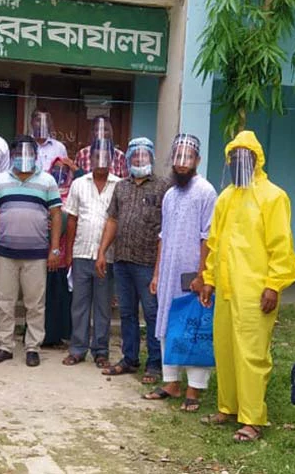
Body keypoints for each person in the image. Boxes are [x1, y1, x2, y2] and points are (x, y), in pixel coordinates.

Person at [199, 130, 295, 443]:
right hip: (227, 289)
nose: (240, 161)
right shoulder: (226, 196)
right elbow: (215, 243)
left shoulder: (273, 196)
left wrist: (273, 285)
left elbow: (281, 245)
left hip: (256, 290)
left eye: (246, 155)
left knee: (252, 353)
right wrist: (209, 280)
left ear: (257, 159)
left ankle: (252, 419)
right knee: (225, 349)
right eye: (235, 156)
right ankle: (227, 408)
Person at [138, 134, 217, 410]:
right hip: (169, 272)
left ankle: (194, 391)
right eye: (178, 157)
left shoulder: (206, 191)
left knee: (194, 326)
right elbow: (163, 235)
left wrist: (202, 274)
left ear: (197, 160)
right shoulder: (170, 194)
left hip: (193, 274)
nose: (182, 164)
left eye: (188, 158)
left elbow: (209, 237)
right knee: (167, 325)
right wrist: (158, 273)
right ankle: (171, 382)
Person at [0, 135, 63, 367]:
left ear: (36, 156)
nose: (23, 158)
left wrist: (54, 249)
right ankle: (5, 346)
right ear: (13, 156)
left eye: (28, 154)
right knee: (4, 302)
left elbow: (56, 215)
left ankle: (32, 347)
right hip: (5, 252)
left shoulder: (47, 181)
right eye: (19, 154)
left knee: (35, 304)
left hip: (36, 254)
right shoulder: (0, 180)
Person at [96, 137, 169, 383]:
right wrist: (102, 252)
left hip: (148, 263)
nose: (140, 159)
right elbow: (112, 221)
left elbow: (166, 229)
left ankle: (155, 364)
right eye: (135, 156)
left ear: (151, 158)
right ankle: (129, 358)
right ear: (128, 159)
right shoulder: (121, 187)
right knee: (127, 312)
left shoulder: (163, 187)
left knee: (151, 313)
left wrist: (160, 269)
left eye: (144, 155)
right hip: (122, 260)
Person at [62, 137, 119, 368]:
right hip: (81, 253)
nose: (101, 160)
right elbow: (72, 219)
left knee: (103, 306)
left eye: (106, 156)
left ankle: (101, 351)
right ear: (91, 158)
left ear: (112, 159)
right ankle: (77, 349)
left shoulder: (120, 184)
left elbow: (117, 221)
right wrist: (68, 253)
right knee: (80, 304)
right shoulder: (79, 183)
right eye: (97, 156)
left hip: (108, 256)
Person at [42, 158, 75, 348]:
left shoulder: (73, 192)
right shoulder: (46, 190)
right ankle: (44, 336)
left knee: (62, 296)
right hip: (44, 252)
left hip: (65, 255)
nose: (60, 173)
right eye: (56, 169)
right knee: (43, 296)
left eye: (64, 170)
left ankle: (61, 336)